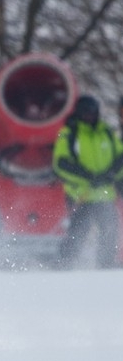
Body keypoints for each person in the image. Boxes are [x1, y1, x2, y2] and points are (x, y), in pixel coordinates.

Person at [52, 95, 123, 268]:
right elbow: (61, 163)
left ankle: (105, 266)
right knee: (77, 233)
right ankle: (64, 266)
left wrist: (111, 174)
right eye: (86, 112)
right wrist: (86, 177)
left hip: (105, 195)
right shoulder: (69, 133)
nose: (89, 116)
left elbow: (120, 156)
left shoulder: (106, 132)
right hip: (81, 195)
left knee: (109, 231)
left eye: (92, 112)